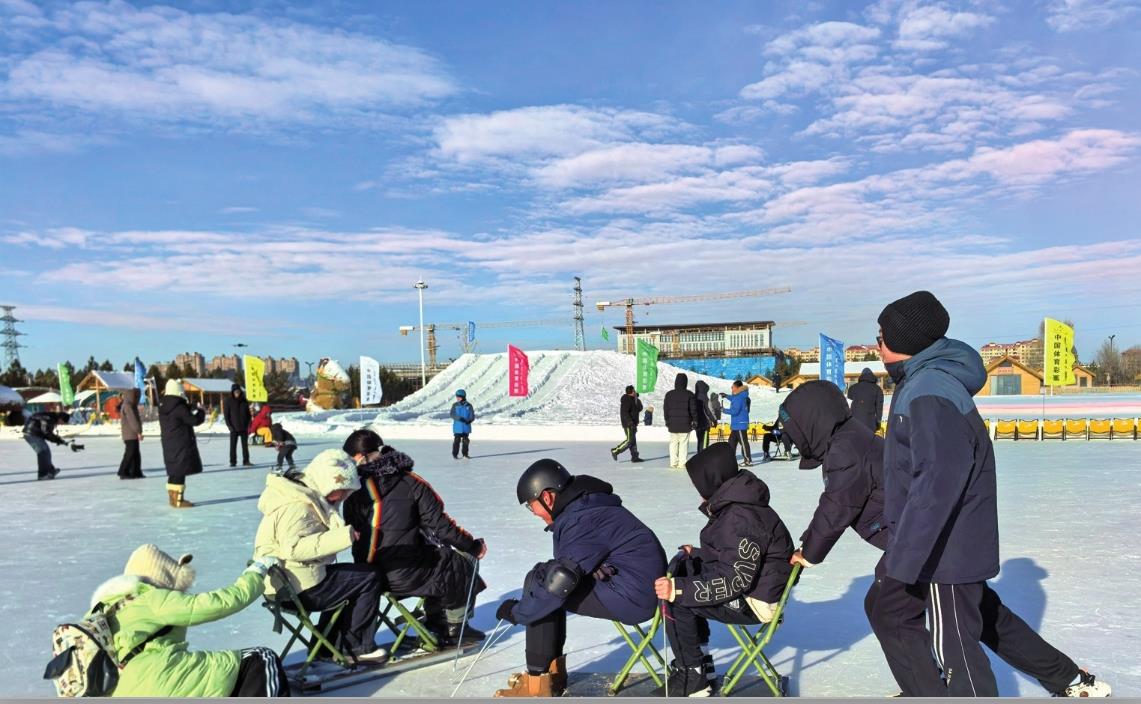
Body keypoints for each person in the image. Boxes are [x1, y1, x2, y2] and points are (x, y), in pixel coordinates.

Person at [780, 378, 1112, 698]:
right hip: (927, 539)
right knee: (984, 617)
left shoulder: (846, 448)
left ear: (813, 422)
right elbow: (843, 502)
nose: (794, 440)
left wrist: (809, 551)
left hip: (925, 543)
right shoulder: (852, 438)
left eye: (796, 430)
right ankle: (1067, 677)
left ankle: (927, 691)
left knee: (895, 613)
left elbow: (838, 504)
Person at [873, 290, 1110, 697]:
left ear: (903, 342)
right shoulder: (923, 382)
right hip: (942, 542)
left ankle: (936, 690)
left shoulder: (929, 388)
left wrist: (905, 557)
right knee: (973, 616)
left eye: (881, 336)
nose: (876, 344)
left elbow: (937, 481)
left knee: (957, 651)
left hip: (943, 550)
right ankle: (1066, 678)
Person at [493, 460, 666, 697]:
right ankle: (550, 675)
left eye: (531, 505)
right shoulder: (584, 508)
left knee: (545, 586)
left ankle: (538, 683)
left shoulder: (580, 518)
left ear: (547, 497)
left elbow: (558, 584)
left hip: (634, 596)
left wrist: (518, 612)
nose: (533, 513)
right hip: (630, 583)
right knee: (545, 580)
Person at [652, 443, 794, 696]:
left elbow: (735, 579)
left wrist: (679, 590)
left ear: (712, 480)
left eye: (699, 485)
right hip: (759, 588)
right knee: (687, 572)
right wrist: (696, 554)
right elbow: (735, 555)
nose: (698, 493)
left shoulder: (739, 517)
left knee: (677, 598)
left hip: (755, 602)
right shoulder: (740, 505)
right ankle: (701, 664)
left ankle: (692, 676)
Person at [341, 430, 487, 647]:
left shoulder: (350, 489)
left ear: (359, 457)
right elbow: (441, 526)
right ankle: (454, 626)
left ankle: (438, 620)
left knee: (437, 559)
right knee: (460, 560)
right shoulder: (409, 482)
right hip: (404, 574)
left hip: (368, 576)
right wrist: (473, 545)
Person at [85, 544, 287, 697]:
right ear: (161, 577)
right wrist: (255, 574)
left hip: (117, 691)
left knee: (218, 674)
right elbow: (222, 603)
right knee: (261, 658)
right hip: (156, 682)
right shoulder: (151, 598)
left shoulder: (104, 607)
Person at [253, 449, 387, 664]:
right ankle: (357, 648)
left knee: (349, 579)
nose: (344, 496)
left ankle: (326, 647)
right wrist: (344, 536)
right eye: (341, 490)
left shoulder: (300, 496)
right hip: (297, 590)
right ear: (326, 483)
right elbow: (293, 548)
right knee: (369, 577)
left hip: (287, 584)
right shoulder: (298, 506)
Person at [158, 380, 205, 508]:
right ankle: (179, 501)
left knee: (174, 472)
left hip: (169, 444)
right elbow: (193, 420)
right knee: (180, 472)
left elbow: (180, 412)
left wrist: (190, 407)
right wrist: (201, 412)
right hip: (181, 443)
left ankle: (173, 500)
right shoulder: (179, 408)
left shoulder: (164, 406)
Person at [664, 373, 699, 470]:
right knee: (683, 444)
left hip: (672, 424)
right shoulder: (689, 394)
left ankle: (673, 462)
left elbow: (666, 410)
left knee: (673, 443)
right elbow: (693, 410)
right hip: (685, 424)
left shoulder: (669, 394)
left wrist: (667, 421)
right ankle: (682, 463)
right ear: (685, 382)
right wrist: (695, 420)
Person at [23, 410, 69, 480]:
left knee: (46, 451)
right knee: (43, 452)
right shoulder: (49, 419)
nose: (62, 424)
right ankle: (43, 474)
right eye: (63, 422)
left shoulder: (50, 417)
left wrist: (57, 440)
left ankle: (50, 470)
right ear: (60, 418)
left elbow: (46, 432)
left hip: (34, 434)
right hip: (31, 434)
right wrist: (58, 440)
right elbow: (46, 432)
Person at [609, 386, 643, 463]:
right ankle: (615, 451)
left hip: (633, 423)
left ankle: (635, 457)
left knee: (633, 440)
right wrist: (630, 423)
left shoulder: (633, 399)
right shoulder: (626, 400)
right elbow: (624, 413)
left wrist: (636, 399)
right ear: (631, 392)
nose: (635, 392)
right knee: (629, 440)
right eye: (634, 391)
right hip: (628, 424)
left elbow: (640, 408)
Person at [224, 384, 254, 468]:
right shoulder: (228, 401)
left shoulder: (244, 401)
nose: (237, 393)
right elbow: (226, 415)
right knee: (233, 446)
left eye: (238, 391)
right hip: (233, 428)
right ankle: (233, 462)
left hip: (243, 427)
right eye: (235, 392)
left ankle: (246, 461)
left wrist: (248, 424)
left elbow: (248, 415)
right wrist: (229, 426)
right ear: (232, 392)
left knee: (245, 446)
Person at [118, 388, 145, 479]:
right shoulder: (128, 406)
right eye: (136, 396)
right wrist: (139, 432)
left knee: (135, 453)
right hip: (129, 434)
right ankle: (123, 471)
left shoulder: (130, 405)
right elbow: (133, 420)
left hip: (131, 434)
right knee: (130, 453)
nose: (137, 398)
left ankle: (136, 471)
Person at [724, 380, 753, 466]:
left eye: (732, 387)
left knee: (743, 443)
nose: (731, 388)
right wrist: (726, 396)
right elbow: (733, 399)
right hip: (737, 425)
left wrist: (723, 410)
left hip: (740, 424)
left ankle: (748, 460)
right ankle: (730, 460)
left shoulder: (739, 397)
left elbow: (735, 411)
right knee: (731, 442)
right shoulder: (741, 395)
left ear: (737, 388)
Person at [847, 367, 884, 432]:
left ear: (861, 376)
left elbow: (848, 405)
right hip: (870, 424)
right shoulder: (877, 389)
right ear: (872, 376)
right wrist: (878, 422)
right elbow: (879, 407)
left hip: (854, 424)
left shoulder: (852, 388)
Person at [450, 389, 475, 460]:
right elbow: (452, 414)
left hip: (466, 427)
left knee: (465, 441)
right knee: (457, 440)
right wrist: (460, 419)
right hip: (457, 427)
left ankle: (465, 454)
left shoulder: (469, 406)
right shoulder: (455, 405)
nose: (457, 398)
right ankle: (455, 454)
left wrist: (469, 420)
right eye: (457, 397)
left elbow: (472, 415)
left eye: (459, 397)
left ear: (463, 397)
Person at [693, 380, 714, 451]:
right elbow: (710, 411)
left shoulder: (694, 397)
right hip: (705, 424)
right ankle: (703, 457)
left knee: (700, 441)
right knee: (705, 442)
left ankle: (699, 455)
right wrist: (714, 420)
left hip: (697, 424)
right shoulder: (706, 399)